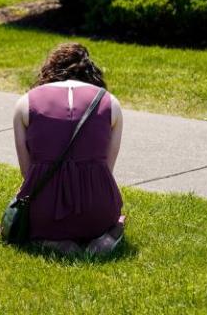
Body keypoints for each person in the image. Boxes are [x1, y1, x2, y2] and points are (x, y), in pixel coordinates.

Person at [12, 43, 125, 256]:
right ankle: (105, 237)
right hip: (98, 209)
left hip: (45, 212)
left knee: (35, 209)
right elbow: (106, 171)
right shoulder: (111, 103)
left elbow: (27, 174)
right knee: (114, 218)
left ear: (50, 68)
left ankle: (53, 241)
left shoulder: (25, 103)